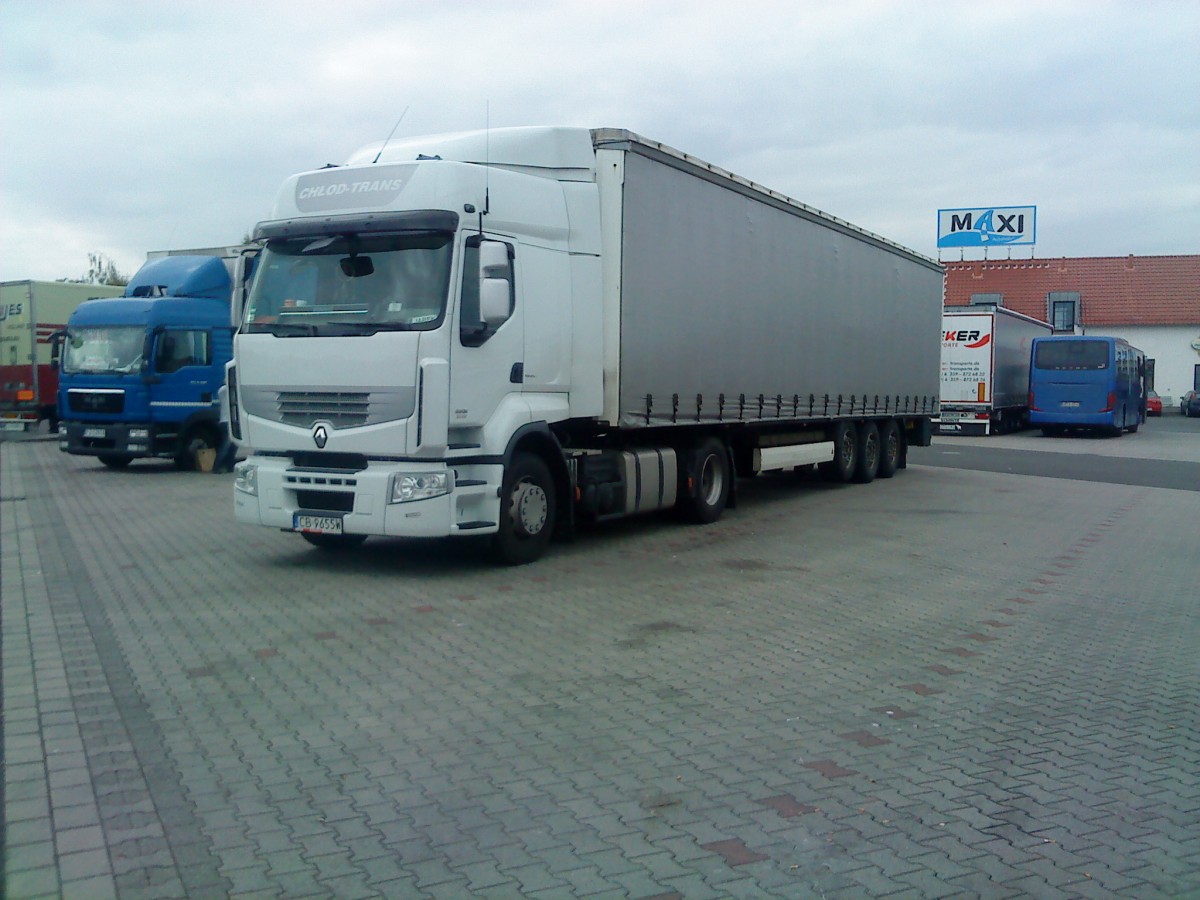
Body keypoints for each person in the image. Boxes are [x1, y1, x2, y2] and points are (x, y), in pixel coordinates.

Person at [214, 383, 238, 473]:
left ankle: (229, 466)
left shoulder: (221, 390)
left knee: (232, 445)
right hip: (229, 421)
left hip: (227, 420)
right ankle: (217, 466)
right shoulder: (225, 390)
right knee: (227, 445)